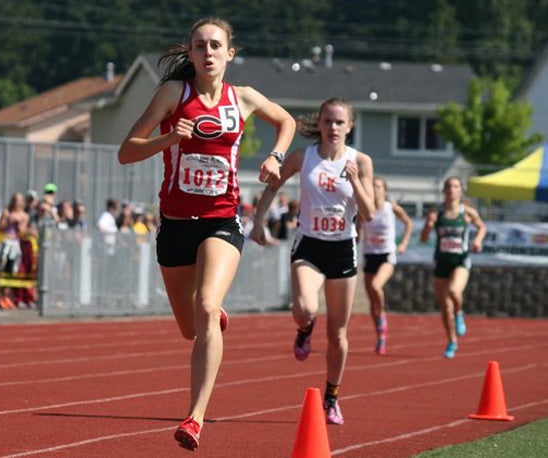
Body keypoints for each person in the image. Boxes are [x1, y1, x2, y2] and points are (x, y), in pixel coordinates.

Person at [117, 17, 295, 450]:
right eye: (200, 46)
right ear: (191, 53)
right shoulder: (172, 95)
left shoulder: (244, 98)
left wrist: (275, 156)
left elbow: (286, 122)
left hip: (222, 220)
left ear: (229, 54)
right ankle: (210, 319)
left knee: (207, 305)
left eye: (216, 45)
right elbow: (125, 152)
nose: (209, 52)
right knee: (189, 328)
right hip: (176, 224)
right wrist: (168, 139)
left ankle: (194, 418)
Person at [251, 97, 374, 425]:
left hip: (342, 250)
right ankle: (305, 329)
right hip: (309, 245)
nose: (333, 128)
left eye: (339, 122)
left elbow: (370, 212)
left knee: (338, 334)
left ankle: (332, 397)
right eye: (328, 121)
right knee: (304, 307)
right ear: (318, 124)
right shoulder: (302, 158)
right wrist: (259, 220)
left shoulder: (360, 161)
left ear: (349, 127)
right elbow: (273, 185)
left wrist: (356, 181)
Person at [419, 176, 486, 358]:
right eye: (448, 186)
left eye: (455, 186)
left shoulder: (468, 212)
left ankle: (459, 314)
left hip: (461, 261)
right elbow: (423, 239)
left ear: (461, 191)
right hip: (441, 262)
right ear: (444, 191)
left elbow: (482, 227)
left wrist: (478, 241)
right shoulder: (436, 212)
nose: (451, 189)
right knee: (445, 307)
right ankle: (452, 341)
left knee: (454, 292)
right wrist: (428, 224)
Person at [359, 176, 412, 355]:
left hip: (387, 255)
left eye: (378, 186)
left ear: (385, 190)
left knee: (376, 287)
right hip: (369, 255)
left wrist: (403, 243)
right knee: (372, 301)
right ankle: (380, 336)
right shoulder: (365, 210)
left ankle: (382, 315)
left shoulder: (391, 208)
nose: (375, 189)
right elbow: (357, 230)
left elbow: (408, 223)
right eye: (373, 186)